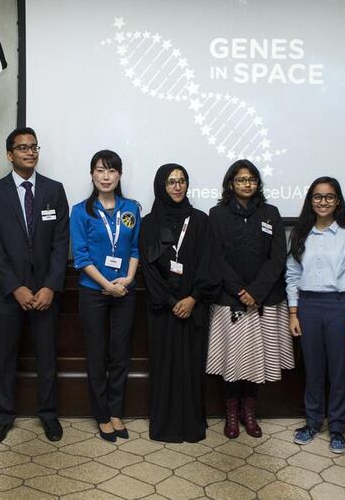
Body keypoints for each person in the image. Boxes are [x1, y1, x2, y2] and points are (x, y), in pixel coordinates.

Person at [0, 127, 69, 444]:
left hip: (46, 292)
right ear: (9, 155)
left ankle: (48, 415)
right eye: (22, 148)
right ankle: (3, 417)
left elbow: (61, 243)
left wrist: (50, 286)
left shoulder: (54, 190)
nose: (30, 152)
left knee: (47, 358)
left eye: (33, 147)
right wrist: (15, 287)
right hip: (8, 294)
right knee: (5, 358)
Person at [205, 160, 293, 439]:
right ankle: (231, 416)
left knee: (255, 360)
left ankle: (249, 413)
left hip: (263, 301)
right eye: (241, 179)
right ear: (231, 183)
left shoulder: (271, 213)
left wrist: (256, 291)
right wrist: (240, 290)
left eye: (251, 179)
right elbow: (215, 257)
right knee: (233, 360)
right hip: (229, 301)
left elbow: (278, 256)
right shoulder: (216, 215)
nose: (247, 183)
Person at [286, 176, 345, 454]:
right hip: (308, 307)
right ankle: (312, 423)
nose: (323, 202)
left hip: (339, 306)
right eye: (318, 197)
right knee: (312, 369)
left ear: (338, 201)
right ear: (310, 201)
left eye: (329, 197)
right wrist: (293, 313)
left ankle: (337, 428)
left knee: (339, 371)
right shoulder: (299, 234)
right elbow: (293, 276)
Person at [70, 150, 140, 442]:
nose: (106, 176)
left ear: (119, 175)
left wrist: (130, 278)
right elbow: (81, 257)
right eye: (100, 170)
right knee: (97, 355)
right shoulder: (81, 210)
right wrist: (106, 285)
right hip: (93, 292)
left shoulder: (131, 208)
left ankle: (115, 411)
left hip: (125, 289)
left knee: (120, 354)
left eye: (112, 171)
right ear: (92, 175)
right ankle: (101, 415)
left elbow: (135, 248)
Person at [140, 163, 213, 443]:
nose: (177, 186)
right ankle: (166, 426)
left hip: (195, 306)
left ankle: (192, 424)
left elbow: (209, 263)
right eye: (171, 182)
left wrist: (192, 298)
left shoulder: (201, 220)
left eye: (182, 180)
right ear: (161, 186)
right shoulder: (149, 222)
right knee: (165, 366)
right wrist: (172, 301)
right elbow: (149, 268)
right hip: (163, 309)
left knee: (192, 367)